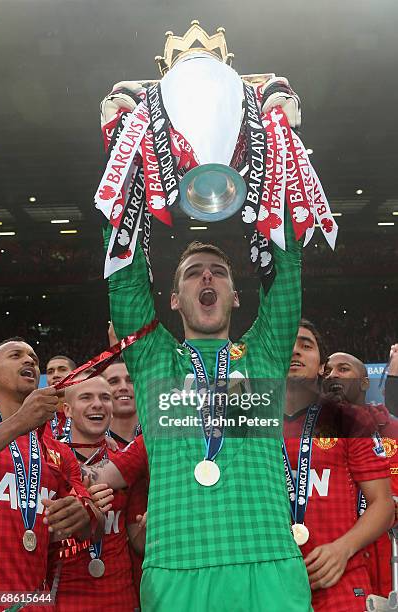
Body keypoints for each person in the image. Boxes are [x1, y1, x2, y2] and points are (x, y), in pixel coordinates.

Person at [84, 208, 314, 611]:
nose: (206, 277)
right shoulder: (154, 360)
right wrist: (128, 185)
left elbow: (287, 275)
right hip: (177, 567)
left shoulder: (263, 355)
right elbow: (124, 281)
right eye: (192, 273)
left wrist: (270, 184)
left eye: (218, 272)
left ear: (236, 295)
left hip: (269, 566)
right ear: (174, 300)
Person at [283, 321, 394, 611]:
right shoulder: (247, 424)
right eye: (287, 343)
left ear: (321, 366)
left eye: (306, 346)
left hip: (340, 580)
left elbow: (382, 504)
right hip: (271, 581)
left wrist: (342, 549)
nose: (296, 351)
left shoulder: (349, 419)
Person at [0, 337, 103, 609]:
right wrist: (18, 423)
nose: (29, 360)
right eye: (16, 355)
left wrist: (83, 515)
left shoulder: (57, 451)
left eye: (33, 358)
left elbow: (94, 527)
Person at [49, 375, 146, 611]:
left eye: (105, 397)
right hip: (62, 597)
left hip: (120, 597)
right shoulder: (47, 460)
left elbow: (137, 541)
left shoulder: (126, 462)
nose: (98, 404)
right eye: (86, 397)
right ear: (68, 411)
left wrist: (149, 529)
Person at [324, 349, 398, 599]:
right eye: (327, 371)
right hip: (335, 577)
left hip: (389, 573)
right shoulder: (305, 436)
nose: (332, 375)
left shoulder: (393, 430)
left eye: (343, 369)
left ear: (365, 382)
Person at [102, 361, 138, 447]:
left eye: (131, 380)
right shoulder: (89, 446)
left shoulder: (161, 437)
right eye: (113, 382)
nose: (123, 387)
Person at [45, 355, 77, 440]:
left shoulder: (87, 413)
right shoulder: (38, 418)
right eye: (50, 372)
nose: (55, 375)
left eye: (62, 369)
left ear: (75, 375)